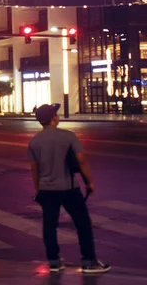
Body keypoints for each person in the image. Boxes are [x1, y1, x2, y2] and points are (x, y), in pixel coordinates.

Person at [28, 103, 110, 274]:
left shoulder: (34, 141)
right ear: (54, 118)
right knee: (83, 223)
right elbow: (81, 160)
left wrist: (39, 188)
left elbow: (34, 168)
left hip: (46, 190)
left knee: (49, 226)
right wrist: (89, 181)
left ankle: (54, 262)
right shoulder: (68, 136)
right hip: (69, 188)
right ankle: (89, 261)